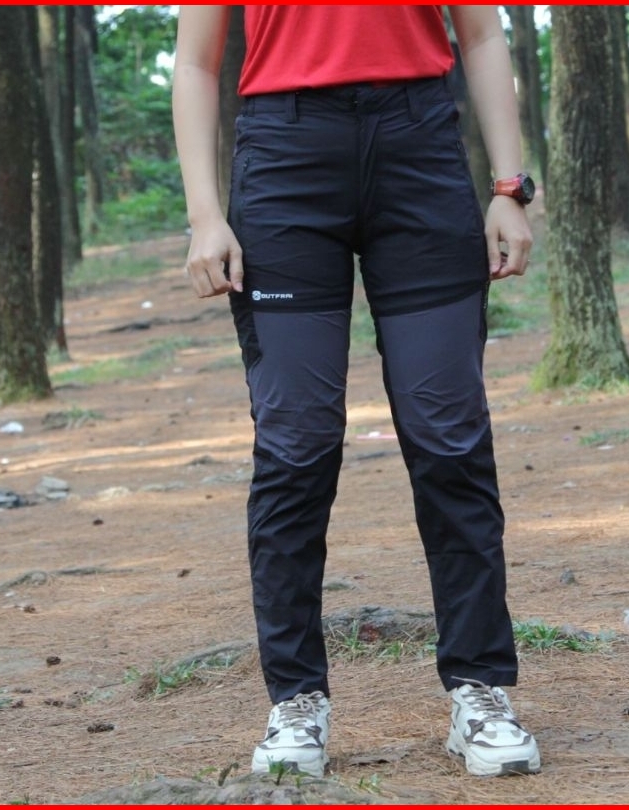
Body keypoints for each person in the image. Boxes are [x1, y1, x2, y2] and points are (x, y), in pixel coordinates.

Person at [172, 4, 541, 779]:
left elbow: (480, 34)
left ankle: (480, 688)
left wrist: (510, 188)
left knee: (450, 438)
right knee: (296, 446)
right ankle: (295, 700)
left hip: (419, 146)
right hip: (284, 158)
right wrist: (205, 214)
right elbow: (198, 62)